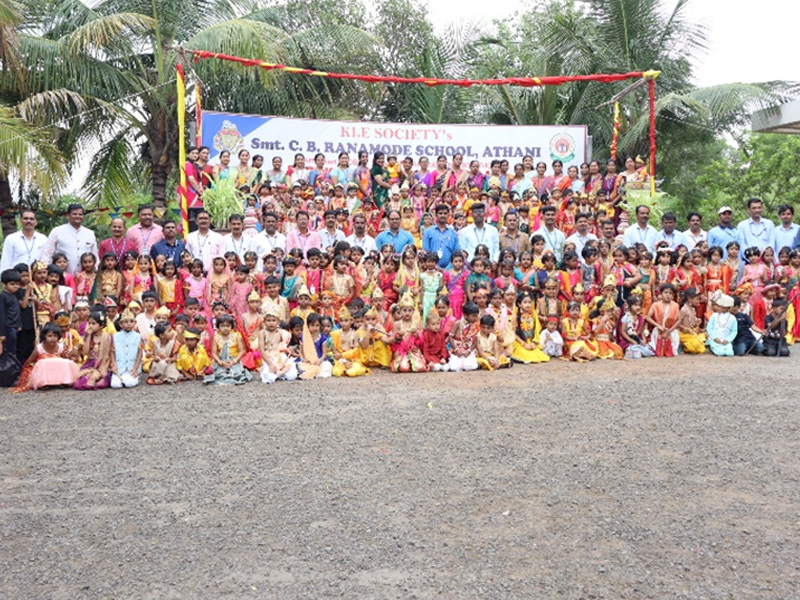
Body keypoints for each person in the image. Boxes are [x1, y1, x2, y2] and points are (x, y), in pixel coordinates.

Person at [15, 322, 79, 391]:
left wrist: (72, 357)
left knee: (65, 362)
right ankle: (44, 383)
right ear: (44, 337)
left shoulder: (60, 347)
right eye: (49, 336)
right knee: (43, 363)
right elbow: (29, 361)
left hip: (56, 371)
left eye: (55, 336)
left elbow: (65, 358)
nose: (52, 338)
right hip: (42, 370)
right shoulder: (39, 348)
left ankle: (64, 381)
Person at [42, 203, 98, 274]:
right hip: (62, 276)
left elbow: (95, 255)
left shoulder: (89, 233)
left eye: (80, 214)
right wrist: (46, 271)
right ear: (68, 215)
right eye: (74, 214)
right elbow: (47, 253)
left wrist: (96, 271)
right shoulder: (57, 231)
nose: (78, 216)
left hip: (85, 278)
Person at [74, 311, 113, 390]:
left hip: (103, 363)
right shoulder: (88, 336)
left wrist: (105, 367)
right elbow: (85, 352)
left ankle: (96, 377)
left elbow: (110, 353)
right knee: (80, 384)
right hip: (90, 363)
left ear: (101, 325)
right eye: (89, 323)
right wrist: (87, 337)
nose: (90, 326)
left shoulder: (107, 337)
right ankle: (93, 376)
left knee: (100, 382)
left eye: (93, 323)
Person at [646, 283, 680, 357]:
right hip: (659, 329)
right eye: (665, 293)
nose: (668, 295)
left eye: (670, 293)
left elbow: (679, 320)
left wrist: (669, 331)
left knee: (672, 351)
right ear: (661, 294)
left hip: (671, 330)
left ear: (673, 295)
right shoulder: (655, 305)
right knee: (656, 349)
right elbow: (647, 317)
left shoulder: (675, 305)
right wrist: (658, 326)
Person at [111, 309, 142, 388]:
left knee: (129, 384)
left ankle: (134, 377)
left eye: (131, 321)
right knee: (115, 385)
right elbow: (112, 351)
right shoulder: (115, 336)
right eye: (126, 322)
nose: (129, 324)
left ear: (135, 323)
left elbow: (140, 353)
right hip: (119, 366)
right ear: (121, 324)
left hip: (132, 366)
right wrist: (114, 364)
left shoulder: (138, 336)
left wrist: (136, 368)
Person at [423, 204, 461, 269]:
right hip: (432, 269)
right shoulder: (428, 232)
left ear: (448, 215)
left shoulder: (453, 233)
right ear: (436, 215)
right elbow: (426, 252)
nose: (442, 215)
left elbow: (456, 253)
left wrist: (448, 269)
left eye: (445, 213)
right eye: (440, 213)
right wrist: (435, 267)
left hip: (450, 270)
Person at [447, 301, 479, 371]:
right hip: (456, 349)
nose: (476, 318)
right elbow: (450, 337)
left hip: (467, 349)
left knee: (472, 366)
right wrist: (456, 350)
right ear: (465, 315)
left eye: (477, 315)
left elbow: (476, 340)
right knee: (454, 367)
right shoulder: (458, 323)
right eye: (474, 316)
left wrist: (469, 351)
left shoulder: (475, 325)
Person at [0, 269, 23, 359]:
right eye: (12, 284)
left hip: (14, 327)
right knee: (9, 351)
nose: (16, 287)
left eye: (17, 284)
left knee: (14, 349)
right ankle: (8, 370)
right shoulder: (3, 296)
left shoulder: (14, 295)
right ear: (4, 284)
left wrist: (19, 324)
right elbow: (1, 315)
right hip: (8, 328)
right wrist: (2, 333)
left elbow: (17, 312)